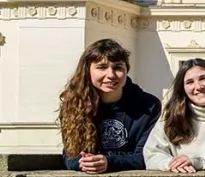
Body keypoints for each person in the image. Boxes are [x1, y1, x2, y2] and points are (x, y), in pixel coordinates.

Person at [58, 39, 162, 174]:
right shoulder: (73, 105)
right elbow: (70, 156)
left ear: (126, 70)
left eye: (118, 67)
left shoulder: (149, 106)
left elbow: (146, 156)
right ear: (87, 71)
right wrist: (84, 163)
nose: (111, 75)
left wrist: (109, 162)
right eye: (101, 67)